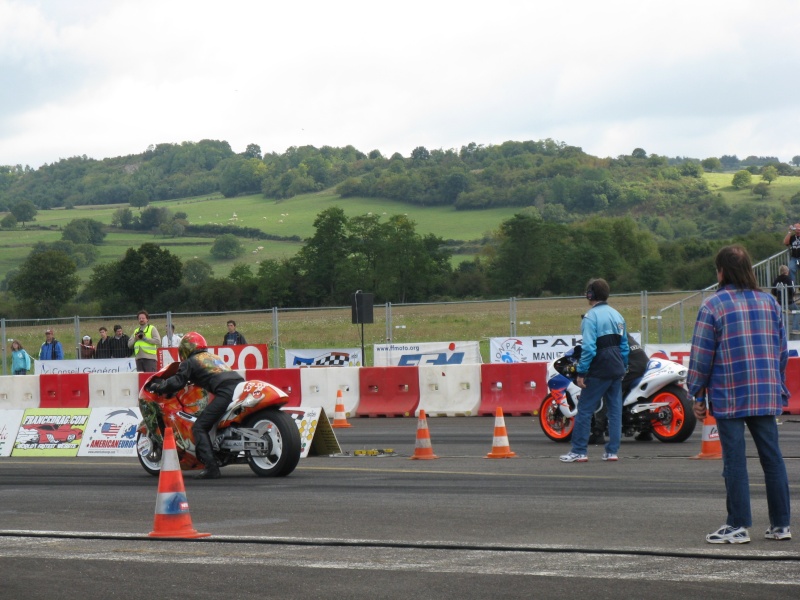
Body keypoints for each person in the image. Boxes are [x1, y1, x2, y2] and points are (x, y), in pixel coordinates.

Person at [687, 244, 791, 544]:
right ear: (749, 270)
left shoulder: (712, 305)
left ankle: (738, 525)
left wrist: (697, 394)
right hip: (765, 391)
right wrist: (778, 385)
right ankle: (781, 525)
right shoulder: (769, 302)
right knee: (772, 459)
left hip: (729, 394)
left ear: (721, 272)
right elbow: (781, 351)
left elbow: (702, 356)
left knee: (735, 461)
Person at [151, 332, 243, 479]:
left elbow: (178, 381)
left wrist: (160, 386)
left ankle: (212, 468)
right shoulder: (213, 357)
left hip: (225, 392)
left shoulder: (190, 361)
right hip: (239, 387)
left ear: (186, 349)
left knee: (199, 427)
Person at [560, 278, 629, 463]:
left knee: (585, 409)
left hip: (599, 368)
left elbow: (589, 348)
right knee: (615, 411)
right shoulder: (617, 315)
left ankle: (579, 452)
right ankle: (612, 452)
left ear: (590, 294)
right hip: (617, 368)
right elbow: (624, 347)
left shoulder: (591, 317)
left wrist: (581, 372)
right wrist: (623, 366)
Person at [589, 332, 650, 444]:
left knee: (606, 390)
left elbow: (602, 356)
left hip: (632, 366)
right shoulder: (620, 330)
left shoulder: (603, 336)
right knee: (633, 392)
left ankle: (598, 432)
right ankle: (646, 430)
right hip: (644, 363)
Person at [772, 264, 799, 333]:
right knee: (797, 311)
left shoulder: (776, 280)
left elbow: (773, 291)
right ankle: (795, 328)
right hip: (789, 301)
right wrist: (791, 295)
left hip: (780, 301)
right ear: (787, 271)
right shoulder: (789, 279)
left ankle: (783, 330)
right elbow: (792, 290)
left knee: (782, 314)